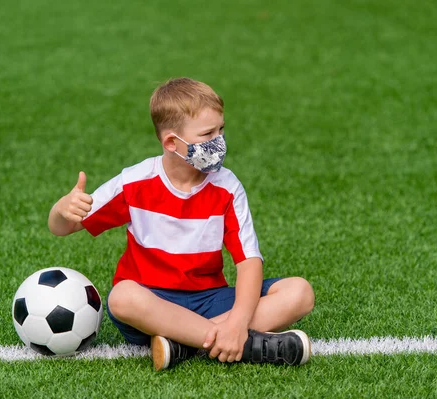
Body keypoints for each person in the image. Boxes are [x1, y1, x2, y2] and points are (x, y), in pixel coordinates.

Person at [48, 77, 315, 370]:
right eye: (208, 134)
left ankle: (182, 345)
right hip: (152, 302)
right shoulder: (134, 182)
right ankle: (239, 342)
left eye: (221, 130)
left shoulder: (227, 187)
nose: (219, 141)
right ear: (172, 143)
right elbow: (64, 227)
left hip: (210, 298)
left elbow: (248, 261)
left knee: (299, 292)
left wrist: (238, 321)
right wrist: (62, 210)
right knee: (122, 297)